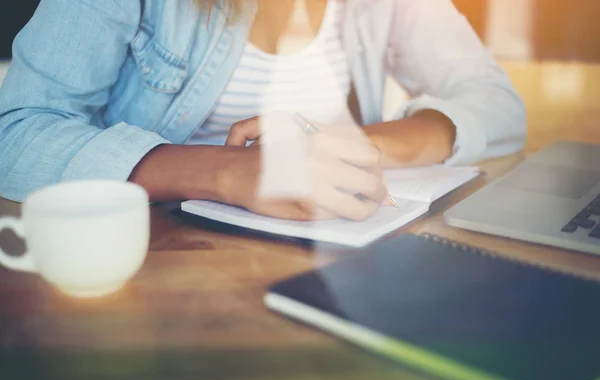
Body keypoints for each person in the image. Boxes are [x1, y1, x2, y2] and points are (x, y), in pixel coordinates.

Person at [0, 0, 526, 221]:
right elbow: (16, 133)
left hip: (331, 260)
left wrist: (362, 145)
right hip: (149, 265)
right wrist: (229, 171)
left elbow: (497, 103)